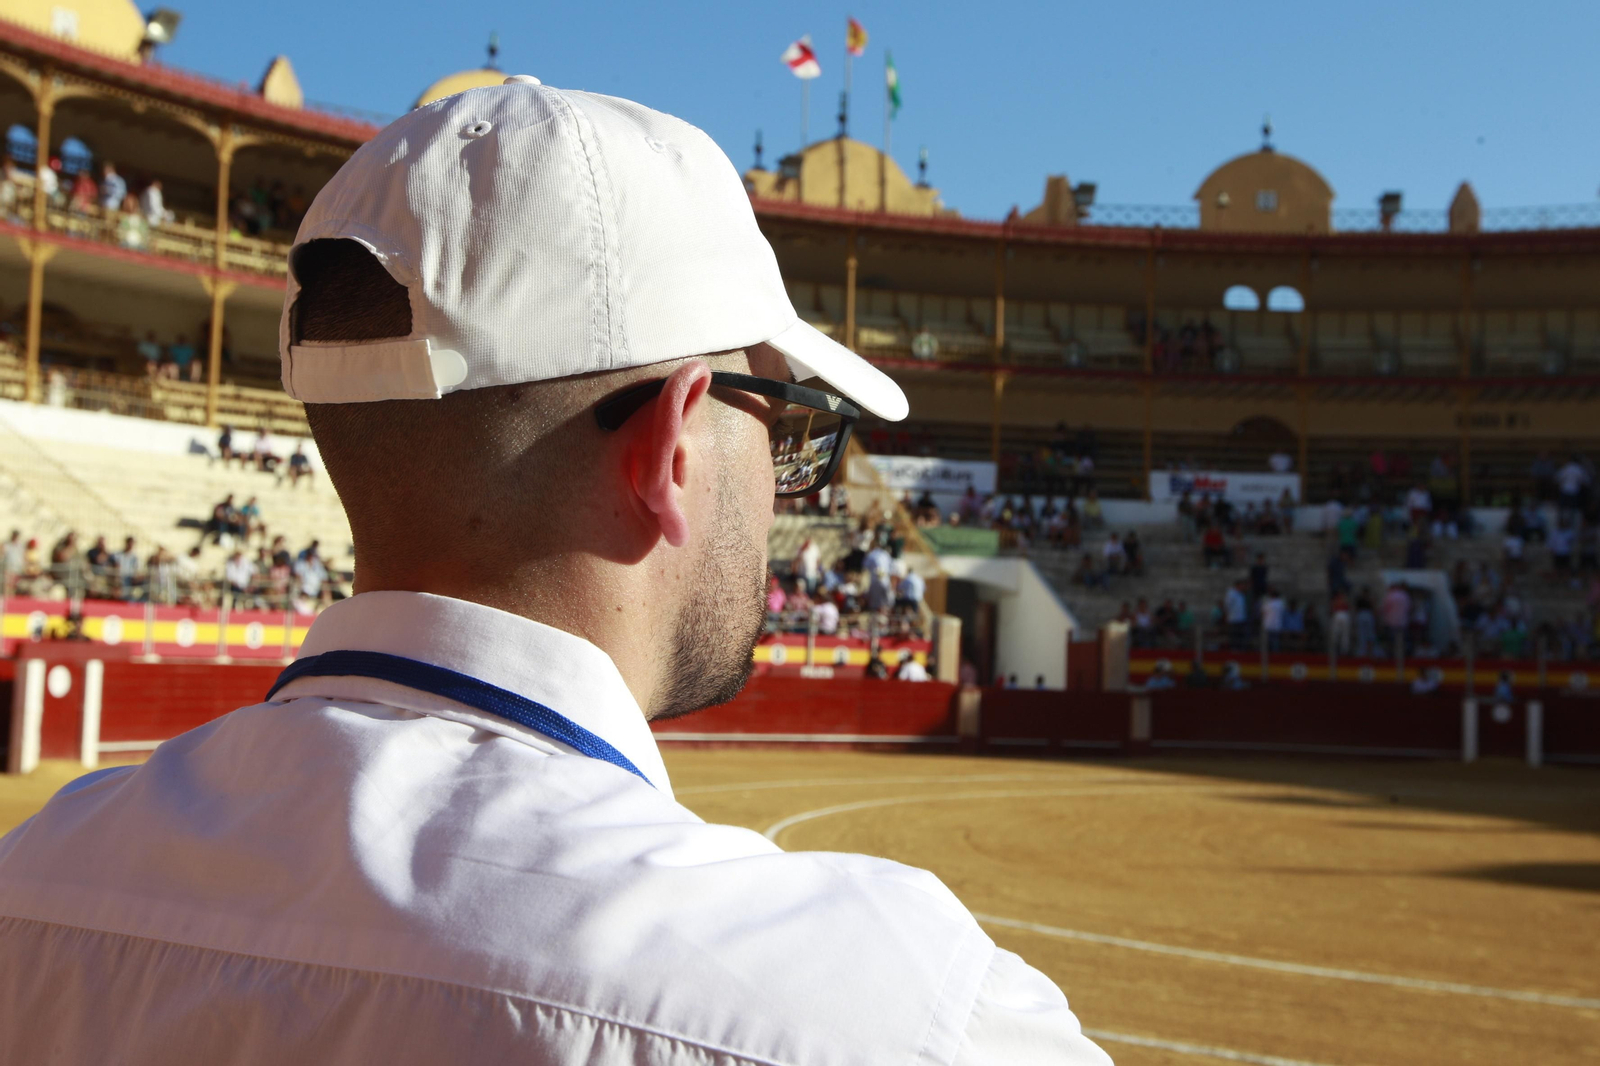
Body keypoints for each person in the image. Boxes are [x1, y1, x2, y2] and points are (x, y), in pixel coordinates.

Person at [0, 83, 1111, 1065]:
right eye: (784, 431)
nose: (787, 490)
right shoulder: (895, 1009)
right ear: (671, 449)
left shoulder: (33, 879)